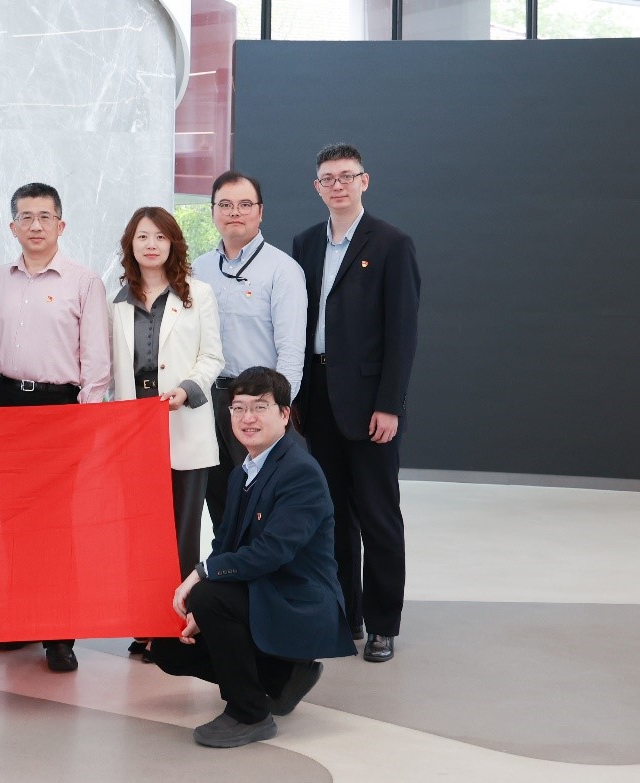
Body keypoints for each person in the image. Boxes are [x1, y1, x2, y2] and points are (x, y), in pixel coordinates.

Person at [151, 367, 354, 748]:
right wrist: (201, 591)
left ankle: (249, 713)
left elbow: (272, 552)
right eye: (239, 408)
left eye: (260, 407)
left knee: (209, 595)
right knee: (168, 648)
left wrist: (201, 574)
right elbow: (226, 545)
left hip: (298, 601)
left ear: (284, 414)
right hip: (263, 591)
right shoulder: (242, 472)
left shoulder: (300, 472)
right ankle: (281, 677)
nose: (248, 418)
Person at [291, 143, 420, 662]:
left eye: (347, 176)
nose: (337, 185)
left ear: (364, 181)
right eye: (328, 178)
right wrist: (295, 396)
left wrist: (390, 404)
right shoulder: (304, 243)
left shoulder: (392, 243)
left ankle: (384, 623)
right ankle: (346, 615)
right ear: (317, 187)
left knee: (378, 514)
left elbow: (402, 333)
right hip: (317, 396)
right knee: (333, 516)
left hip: (369, 403)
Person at [0, 182, 111, 672]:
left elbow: (96, 362)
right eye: (26, 217)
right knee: (12, 519)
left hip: (61, 408)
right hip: (8, 404)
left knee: (57, 525)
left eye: (45, 217)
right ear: (12, 226)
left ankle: (59, 633)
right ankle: (19, 620)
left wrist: (86, 420)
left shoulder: (84, 281)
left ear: (61, 224)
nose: (35, 226)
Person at [109, 206, 223, 577]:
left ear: (173, 243)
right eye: (142, 237)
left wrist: (187, 389)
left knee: (182, 530)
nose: (151, 244)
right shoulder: (116, 302)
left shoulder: (198, 294)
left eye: (160, 237)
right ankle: (145, 612)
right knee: (139, 528)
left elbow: (212, 356)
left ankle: (179, 611)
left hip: (183, 419)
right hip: (134, 426)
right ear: (130, 244)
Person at [190, 171, 307, 530]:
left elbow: (291, 350)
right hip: (208, 402)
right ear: (213, 211)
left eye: (244, 204)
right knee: (220, 504)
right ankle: (227, 565)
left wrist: (275, 409)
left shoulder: (283, 270)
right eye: (225, 205)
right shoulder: (199, 269)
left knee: (262, 508)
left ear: (260, 211)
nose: (234, 213)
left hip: (257, 402)